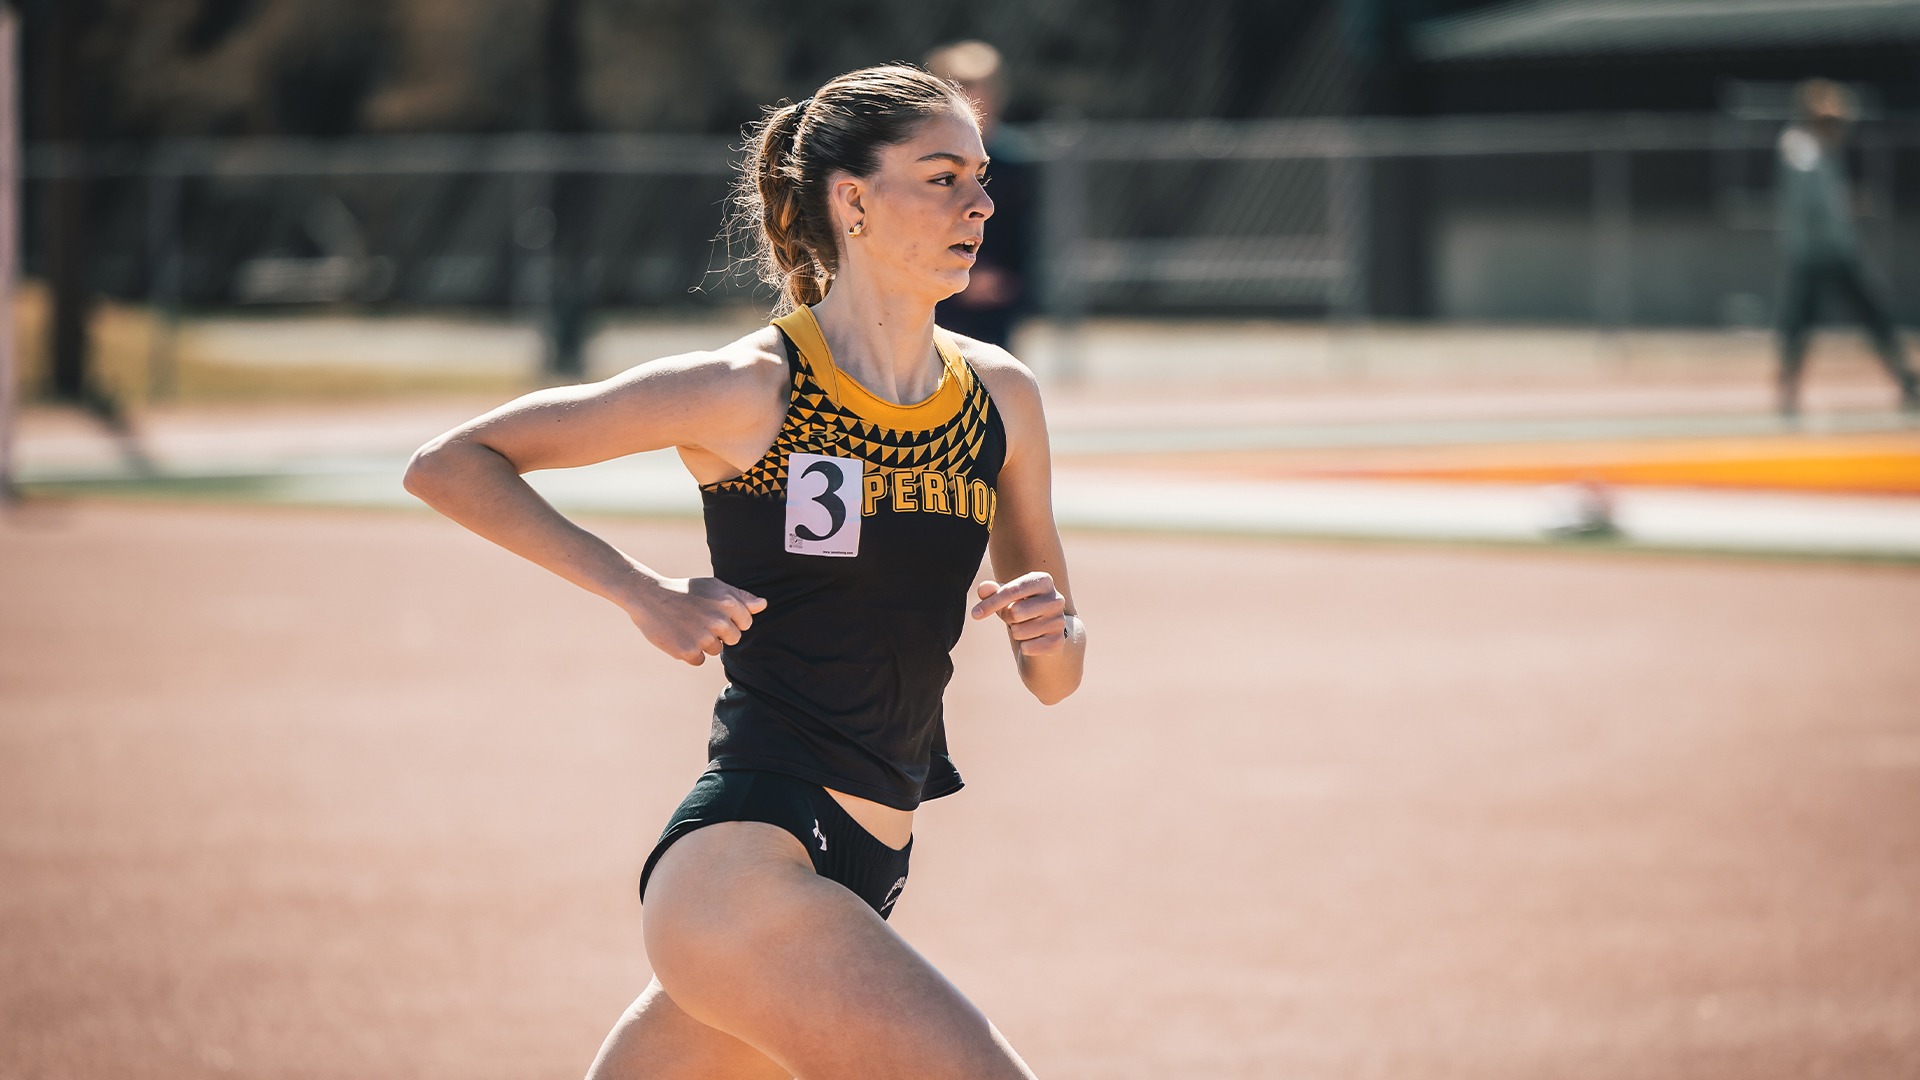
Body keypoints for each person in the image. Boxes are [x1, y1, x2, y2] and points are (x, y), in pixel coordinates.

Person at [404, 64, 1084, 1079]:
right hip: (744, 867)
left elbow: (1058, 674)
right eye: (941, 176)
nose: (980, 202)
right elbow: (452, 464)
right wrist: (640, 591)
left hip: (863, 868)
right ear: (851, 199)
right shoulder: (755, 386)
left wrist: (1051, 632)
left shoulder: (999, 396)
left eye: (981, 176)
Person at [1774, 78, 1920, 417]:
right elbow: (1813, 199)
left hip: (1839, 248)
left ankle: (1905, 378)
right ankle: (1788, 389)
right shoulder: (1800, 146)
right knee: (1799, 322)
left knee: (1875, 312)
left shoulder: (1826, 150)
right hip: (1811, 252)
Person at [926, 41, 1037, 351]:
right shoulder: (924, 161)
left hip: (997, 300)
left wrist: (1005, 281)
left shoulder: (1013, 162)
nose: (976, 96)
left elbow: (1025, 237)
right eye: (964, 86)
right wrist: (960, 277)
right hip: (939, 295)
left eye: (983, 86)